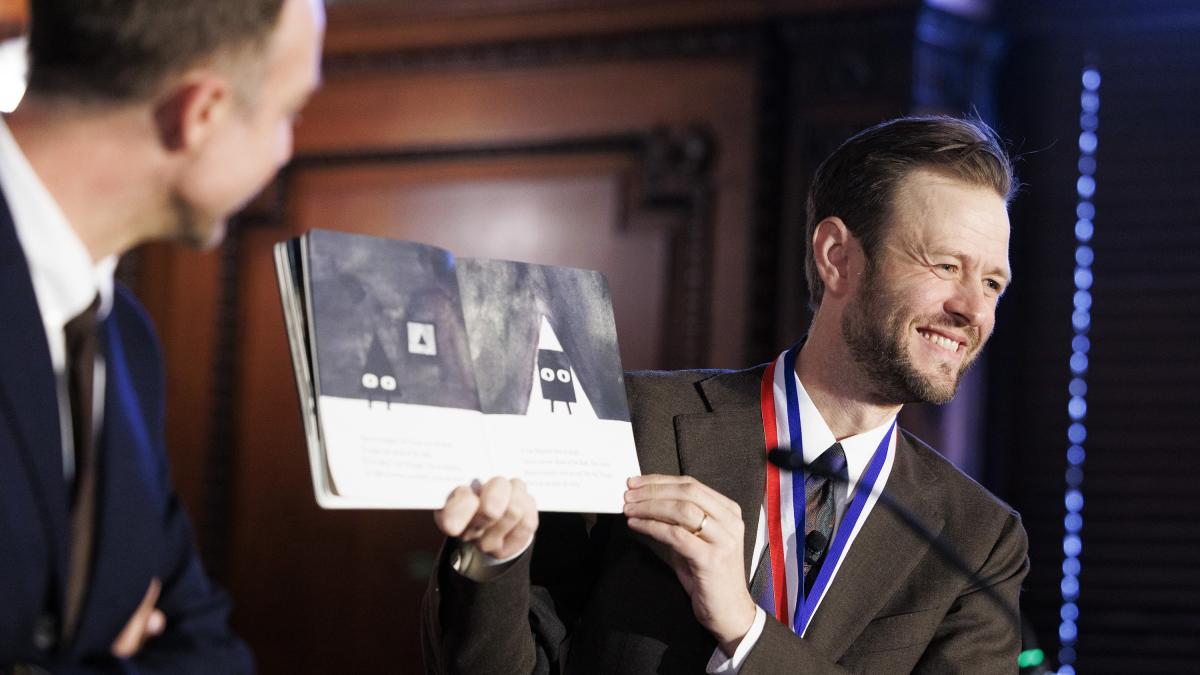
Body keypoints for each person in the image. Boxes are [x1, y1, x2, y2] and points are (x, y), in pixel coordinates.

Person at [422, 116, 1030, 673]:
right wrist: (492, 564)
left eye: (993, 281)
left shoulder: (977, 540)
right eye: (946, 266)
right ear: (838, 258)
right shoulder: (634, 424)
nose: (972, 307)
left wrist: (745, 630)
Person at [0, 0, 324, 671]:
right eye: (287, 113)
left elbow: (209, 645)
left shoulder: (128, 342)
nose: (286, 149)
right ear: (200, 113)